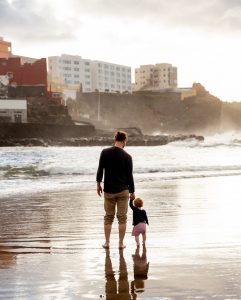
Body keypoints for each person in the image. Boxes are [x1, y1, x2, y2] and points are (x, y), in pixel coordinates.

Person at [96, 130, 135, 249]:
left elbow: (100, 169)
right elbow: (130, 176)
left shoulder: (105, 152)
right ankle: (120, 244)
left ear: (115, 139)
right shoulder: (128, 157)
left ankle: (107, 243)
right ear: (124, 141)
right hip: (123, 191)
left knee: (108, 217)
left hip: (109, 191)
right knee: (122, 218)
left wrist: (98, 184)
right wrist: (132, 191)